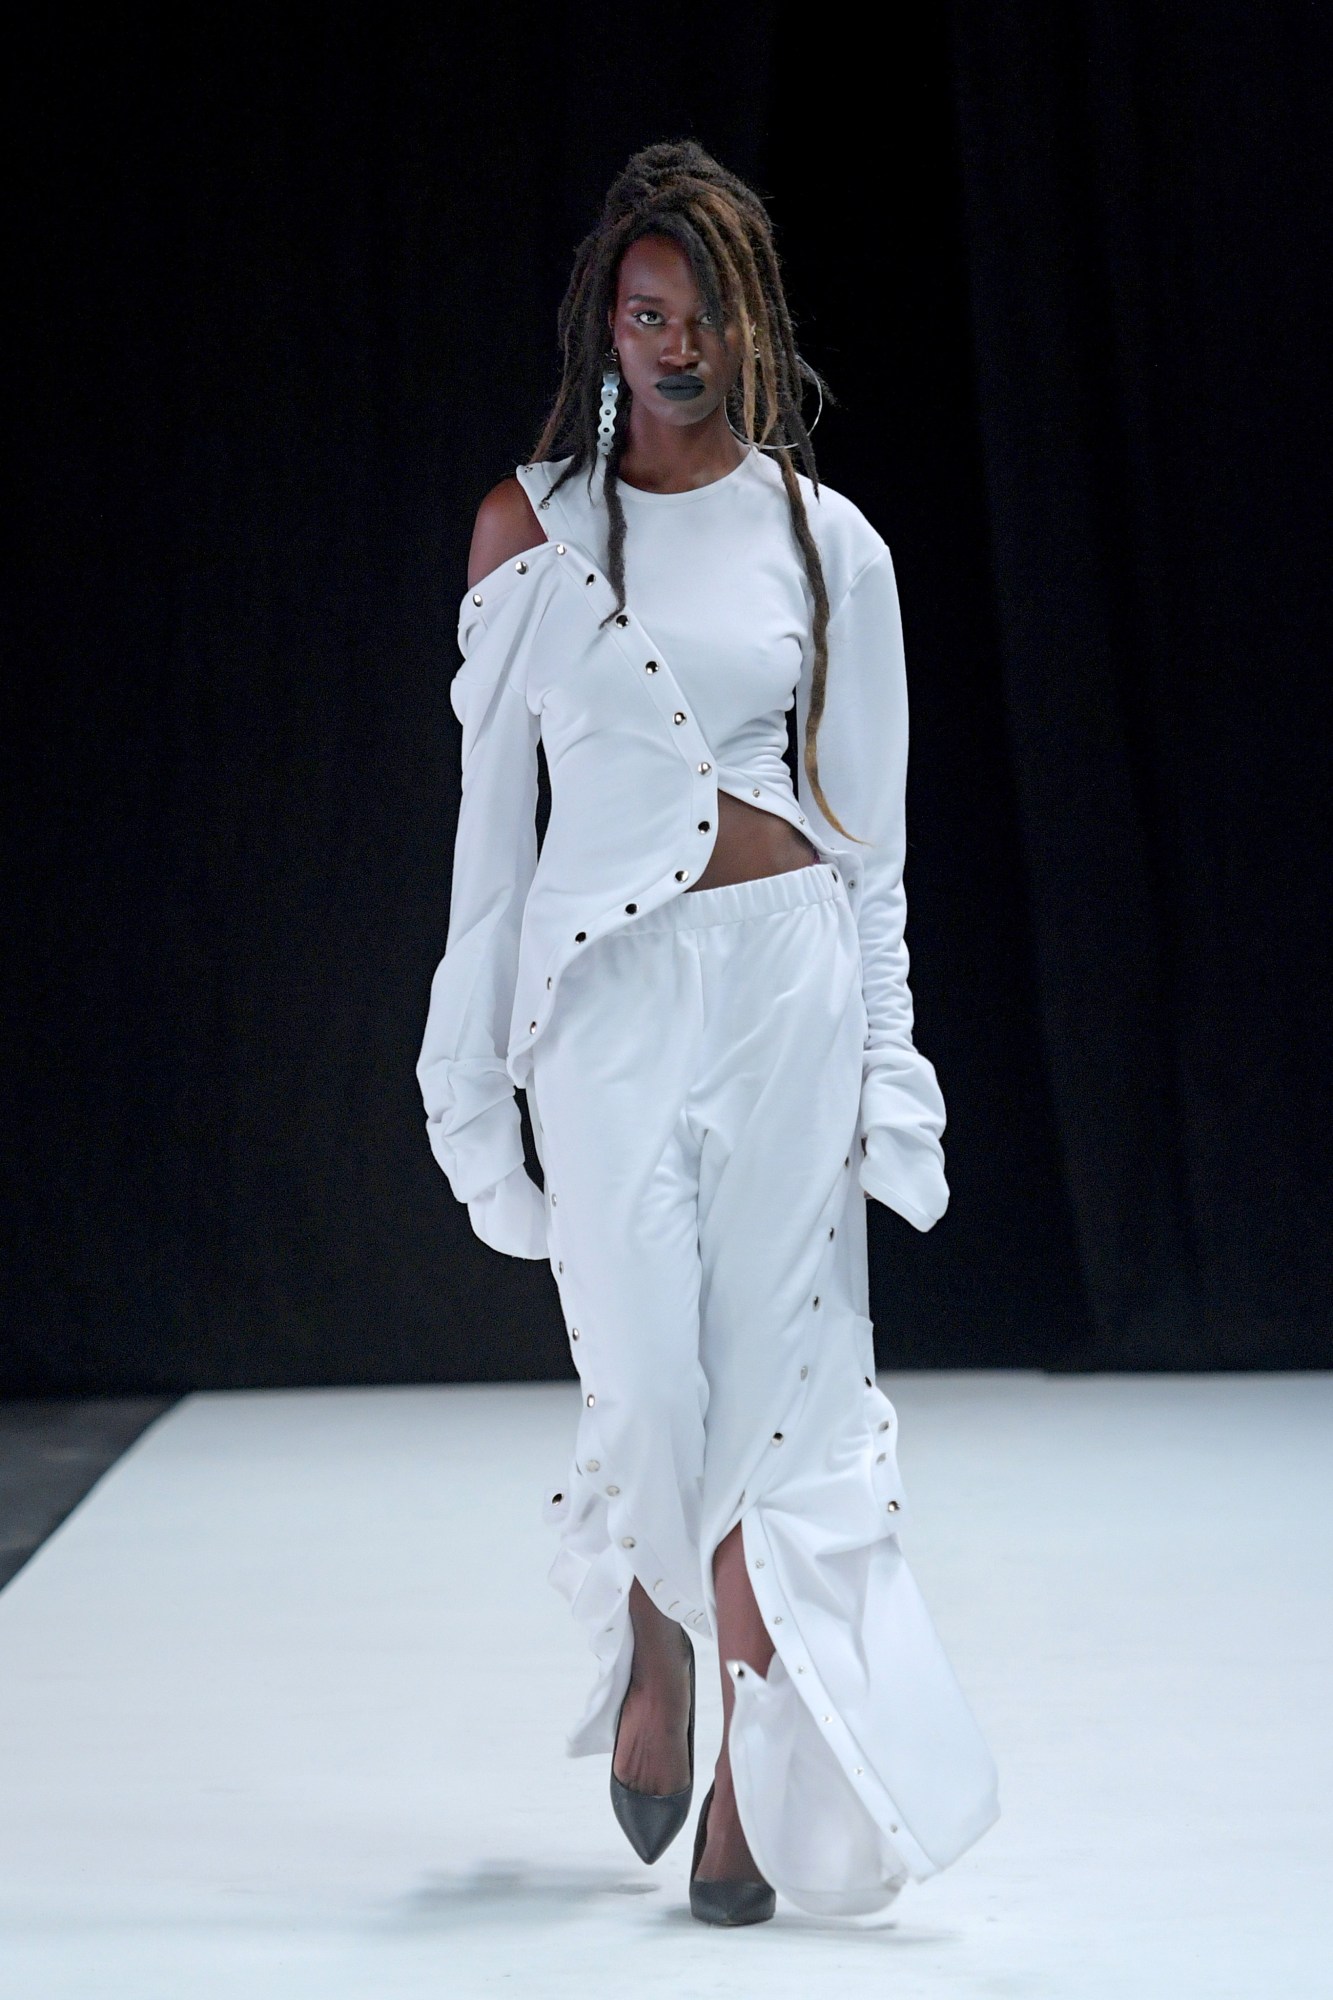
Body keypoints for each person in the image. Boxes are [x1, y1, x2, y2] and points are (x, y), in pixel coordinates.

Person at [417, 140, 999, 1926]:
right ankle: (654, 1629)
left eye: (704, 316)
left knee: (780, 1396)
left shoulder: (829, 544)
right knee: (647, 1383)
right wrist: (466, 1082)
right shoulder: (532, 530)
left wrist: (889, 1065)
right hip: (603, 1007)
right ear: (605, 323)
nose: (674, 346)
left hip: (785, 991)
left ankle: (751, 1761)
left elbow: (871, 845)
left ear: (752, 326)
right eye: (645, 312)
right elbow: (488, 841)